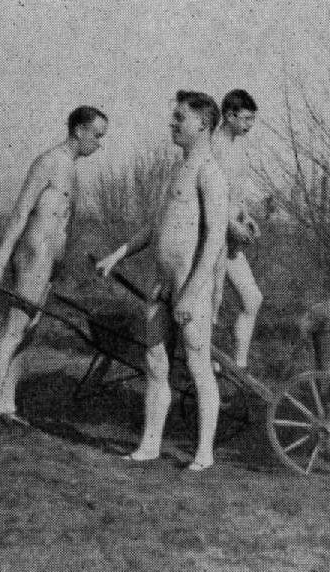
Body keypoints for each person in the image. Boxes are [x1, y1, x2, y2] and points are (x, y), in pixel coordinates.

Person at [96, 91, 228, 471]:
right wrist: (117, 255)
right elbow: (155, 228)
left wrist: (191, 293)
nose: (172, 123)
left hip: (191, 289)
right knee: (155, 363)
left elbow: (215, 240)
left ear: (203, 124)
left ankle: (204, 454)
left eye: (180, 118)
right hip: (161, 286)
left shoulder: (209, 173)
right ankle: (149, 445)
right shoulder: (176, 170)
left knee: (199, 367)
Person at [0, 106, 108, 430]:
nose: (99, 144)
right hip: (32, 257)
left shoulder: (71, 168)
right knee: (14, 331)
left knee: (28, 333)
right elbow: (21, 214)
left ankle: (7, 405)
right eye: (96, 135)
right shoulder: (48, 162)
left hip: (49, 262)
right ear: (78, 130)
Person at [211, 89, 262, 368]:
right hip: (211, 238)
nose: (250, 125)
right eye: (246, 119)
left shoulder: (239, 147)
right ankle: (203, 365)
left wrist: (246, 217)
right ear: (229, 116)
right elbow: (209, 200)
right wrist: (230, 225)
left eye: (252, 119)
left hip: (231, 240)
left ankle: (238, 367)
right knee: (212, 305)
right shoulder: (213, 146)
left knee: (252, 299)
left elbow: (236, 196)